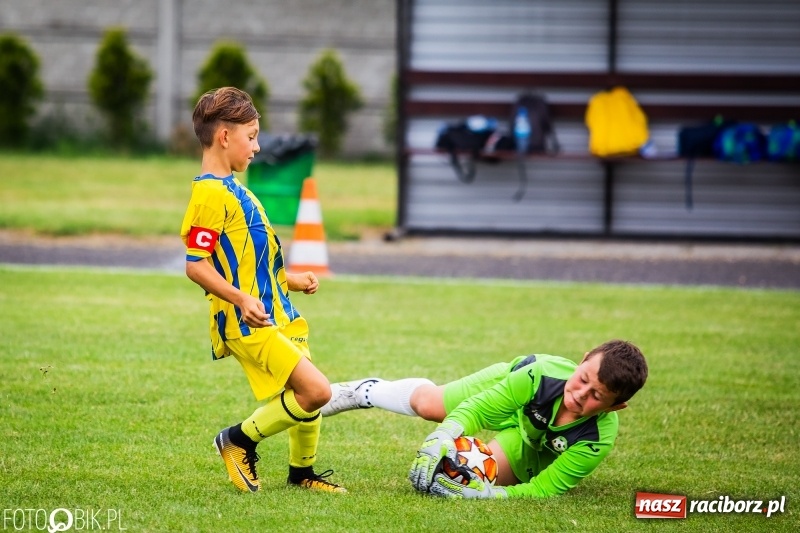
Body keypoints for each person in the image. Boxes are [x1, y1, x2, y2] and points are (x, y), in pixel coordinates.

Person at [180, 87, 345, 494]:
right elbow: (195, 265)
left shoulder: (237, 188)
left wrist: (292, 279)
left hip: (276, 310)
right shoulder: (209, 195)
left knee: (306, 393)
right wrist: (240, 300)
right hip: (246, 320)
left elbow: (248, 261)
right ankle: (238, 439)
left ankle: (301, 474)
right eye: (251, 136)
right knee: (316, 391)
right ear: (224, 137)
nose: (256, 147)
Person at [321, 339, 647, 499]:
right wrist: (443, 434)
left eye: (596, 396)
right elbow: (477, 410)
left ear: (614, 407)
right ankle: (363, 391)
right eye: (583, 378)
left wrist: (487, 495)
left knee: (468, 479)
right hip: (510, 390)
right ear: (584, 358)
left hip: (528, 444)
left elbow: (545, 489)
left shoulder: (597, 438)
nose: (580, 394)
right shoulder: (538, 374)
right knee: (431, 405)